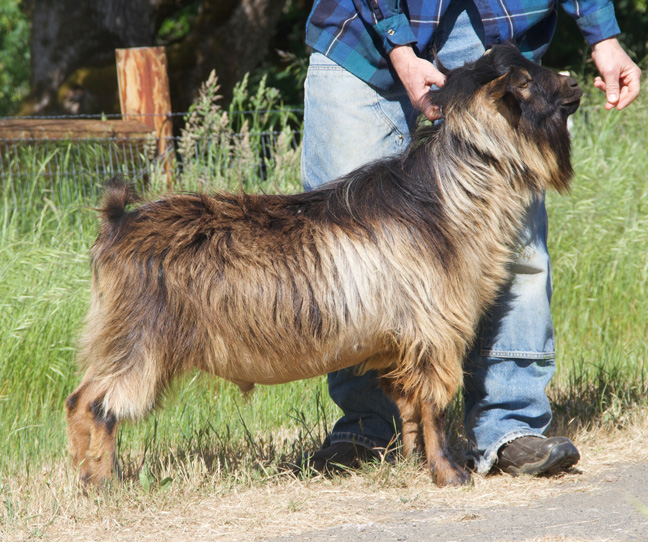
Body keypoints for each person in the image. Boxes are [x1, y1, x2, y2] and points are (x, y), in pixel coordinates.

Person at [301, 0, 641, 476]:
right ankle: (370, 427)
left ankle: (510, 424)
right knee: (345, 244)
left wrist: (602, 34)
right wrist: (400, 46)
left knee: (513, 238)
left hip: (494, 34)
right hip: (364, 37)